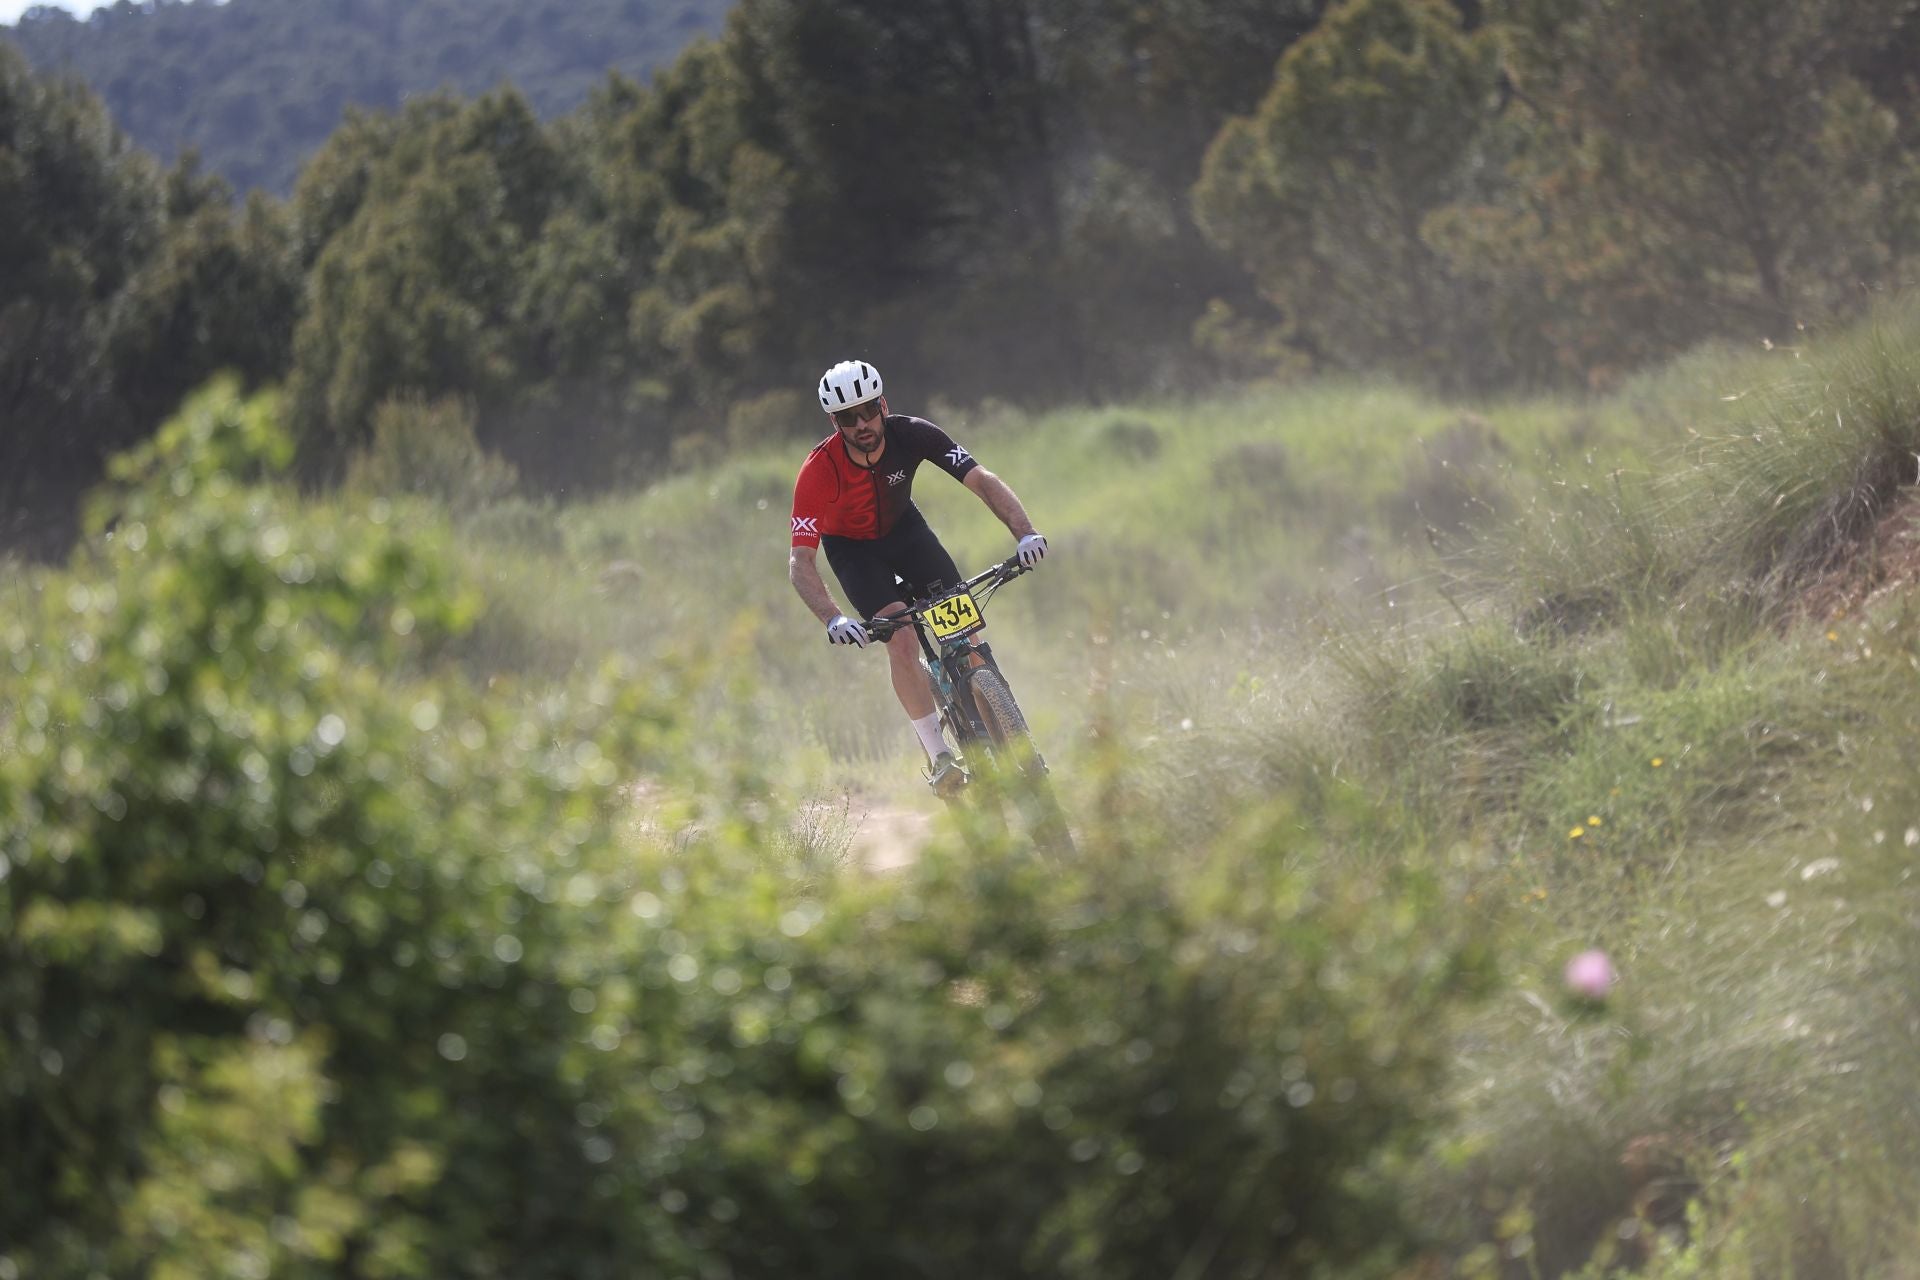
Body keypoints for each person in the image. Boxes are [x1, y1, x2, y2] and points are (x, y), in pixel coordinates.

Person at [788, 359, 1048, 794]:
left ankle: (1010, 728)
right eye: (848, 418)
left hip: (906, 534)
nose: (862, 424)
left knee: (963, 628)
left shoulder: (913, 434)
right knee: (902, 638)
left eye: (869, 410)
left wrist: (1026, 534)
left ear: (883, 405)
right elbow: (800, 562)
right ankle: (939, 755)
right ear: (835, 422)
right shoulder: (819, 470)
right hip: (853, 552)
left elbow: (981, 480)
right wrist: (833, 618)